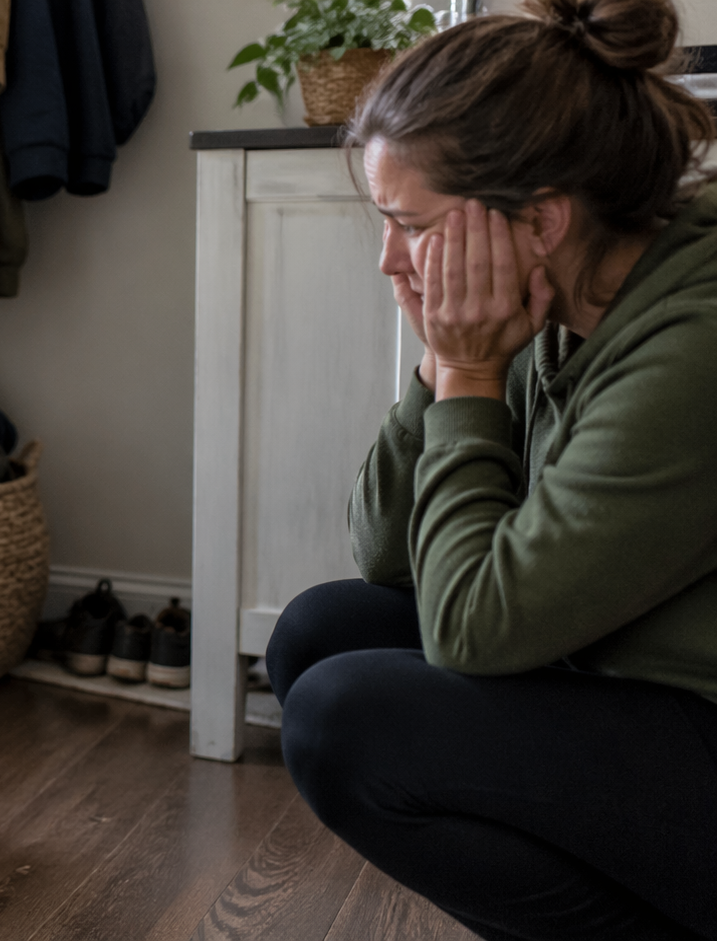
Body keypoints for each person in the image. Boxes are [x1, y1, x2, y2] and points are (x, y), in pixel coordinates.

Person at [262, 0, 717, 938]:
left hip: (697, 716)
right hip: (624, 670)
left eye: (411, 224)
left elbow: (473, 625)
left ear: (541, 220)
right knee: (320, 631)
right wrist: (442, 368)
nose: (390, 258)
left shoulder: (694, 337)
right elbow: (389, 555)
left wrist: (471, 373)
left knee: (345, 718)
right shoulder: (568, 295)